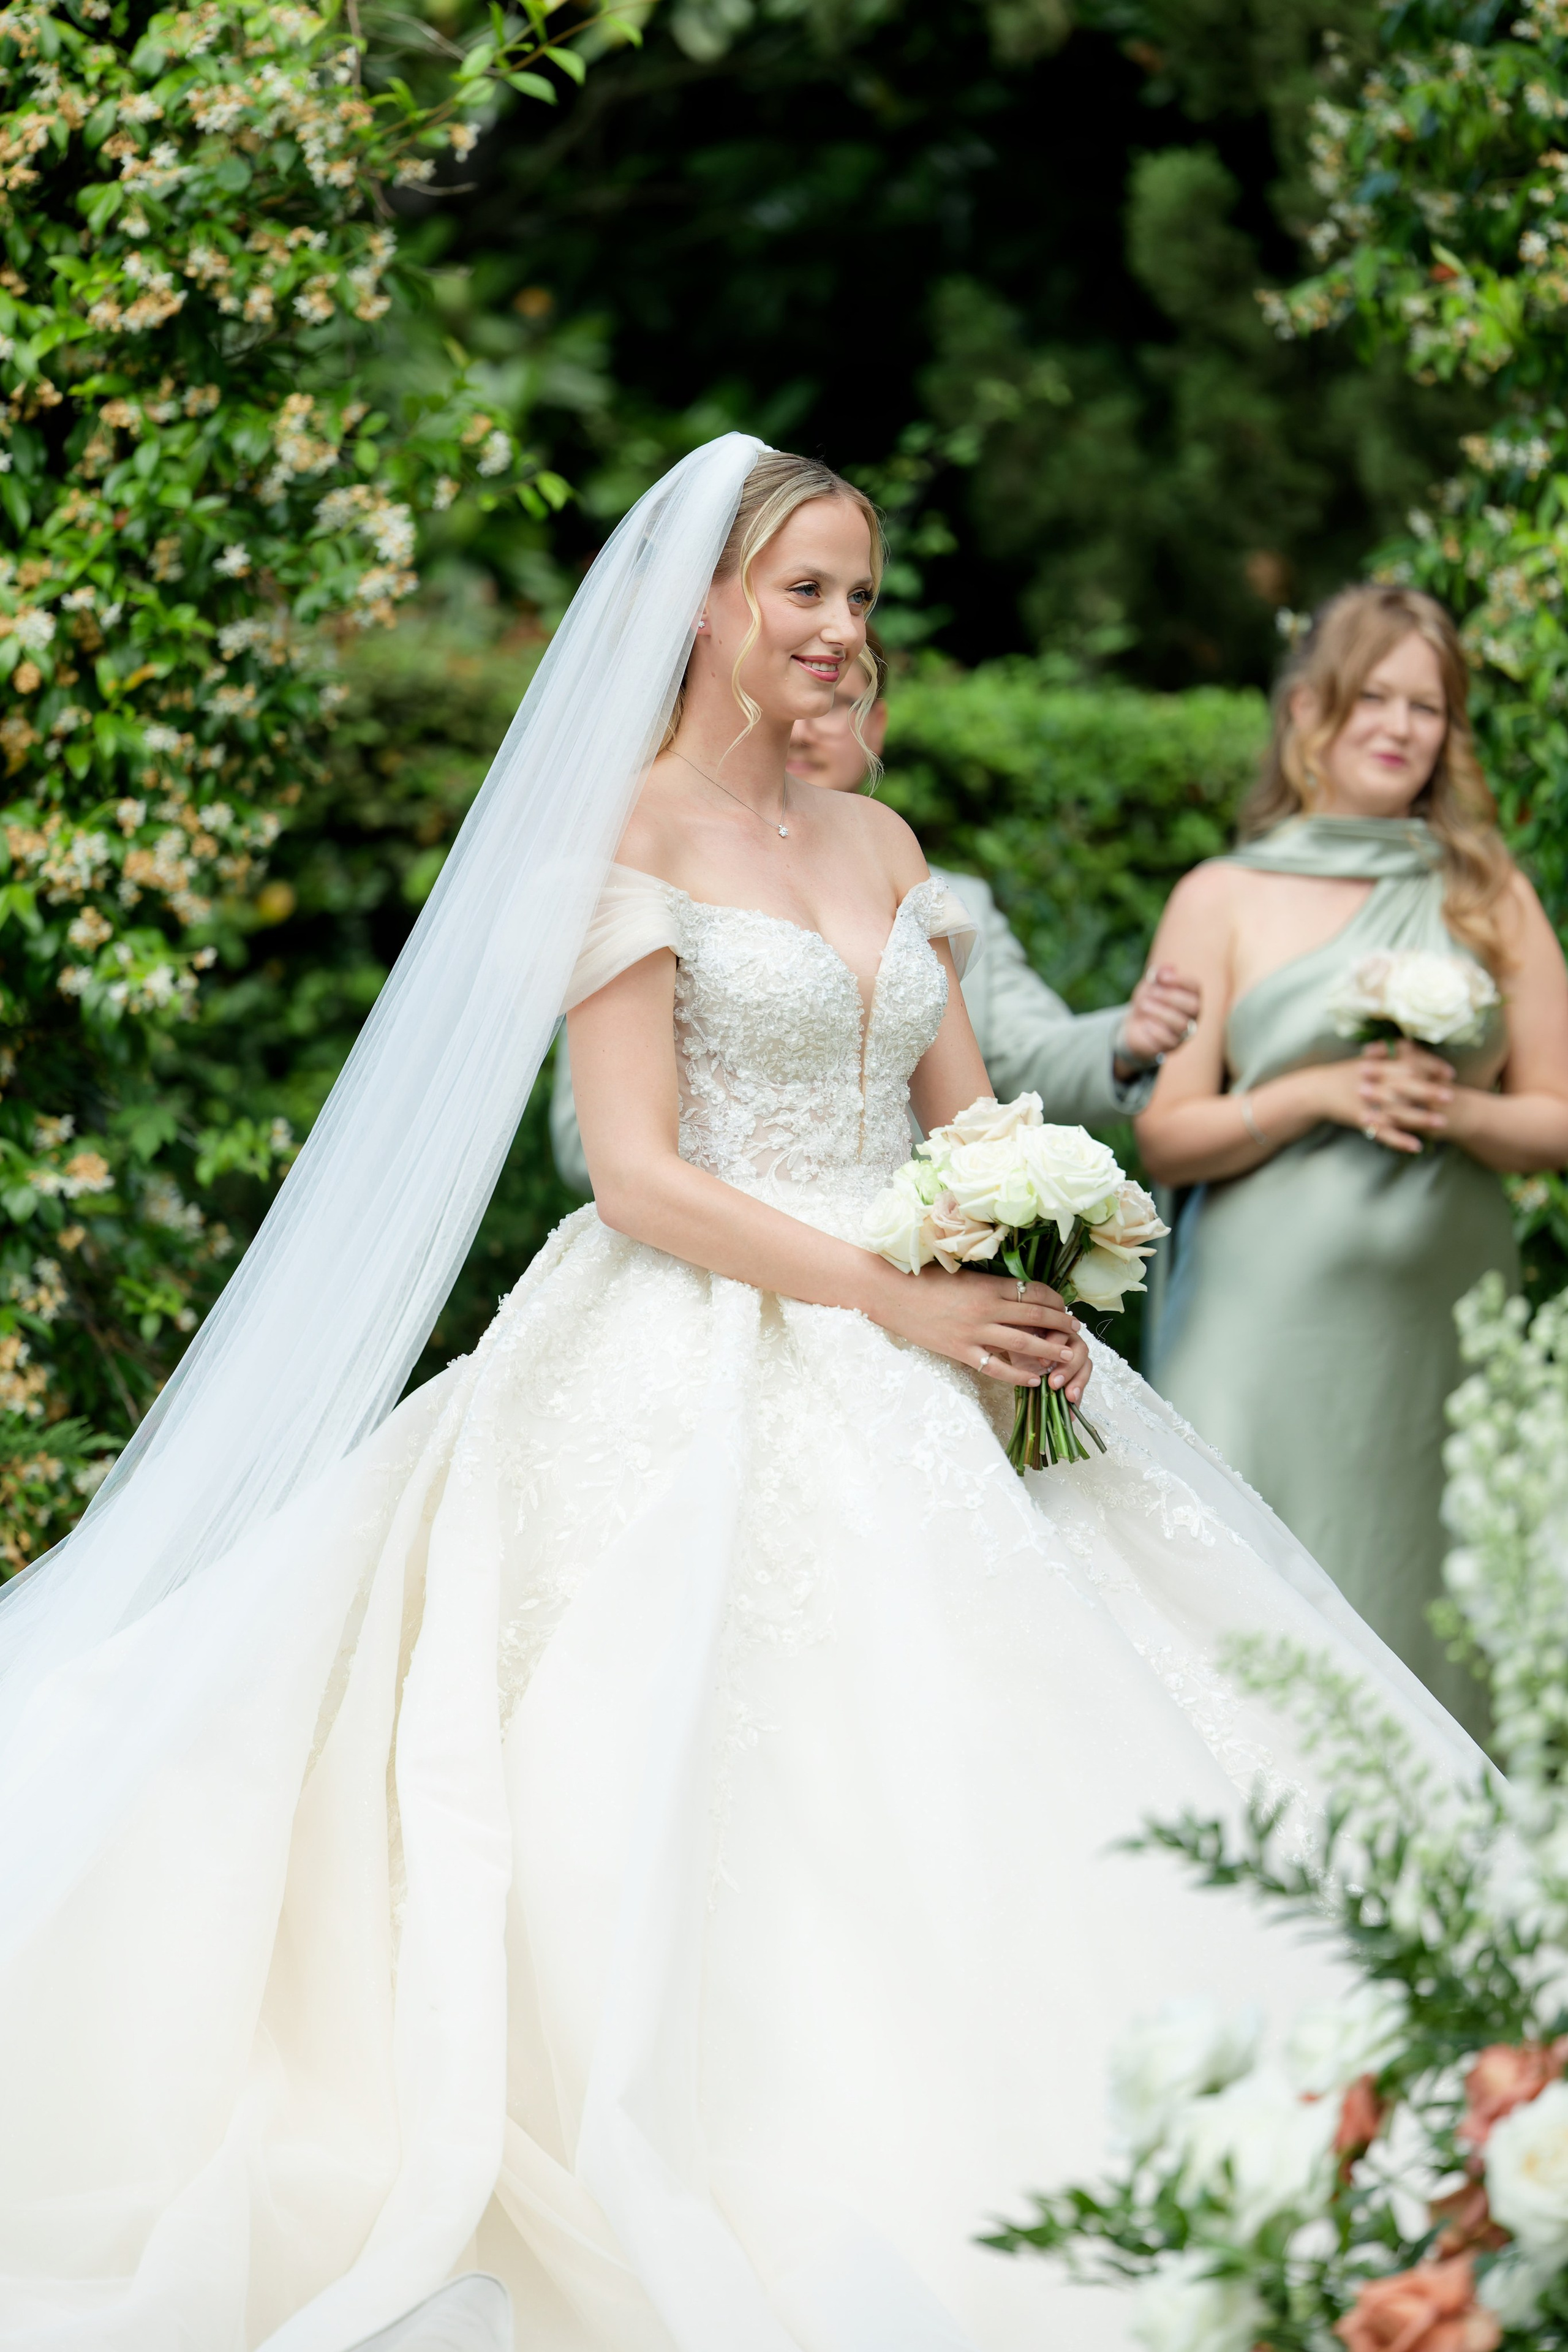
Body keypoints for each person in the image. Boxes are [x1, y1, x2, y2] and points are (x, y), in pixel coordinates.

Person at [0, 445, 1479, 2352]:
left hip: (931, 1316)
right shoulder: (613, 838)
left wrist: (1026, 1249)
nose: (840, 630)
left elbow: (975, 1121)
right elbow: (633, 1172)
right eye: (806, 590)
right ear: (703, 603)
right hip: (689, 1325)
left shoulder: (882, 848)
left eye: (861, 596)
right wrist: (887, 1295)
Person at [1137, 585, 1568, 1736]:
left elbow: (1558, 1121)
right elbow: (1167, 1133)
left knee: (1430, 1601)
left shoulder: (1488, 895)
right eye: (1373, 695)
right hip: (1264, 1325)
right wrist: (1316, 1091)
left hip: (1441, 1338)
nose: (1401, 724)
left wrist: (1455, 1113)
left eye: (1427, 705)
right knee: (1247, 1603)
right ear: (1310, 713)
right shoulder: (1221, 895)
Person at [549, 643, 1201, 1191]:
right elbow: (599, 1148)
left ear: (876, 725)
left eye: (834, 702)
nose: (803, 726)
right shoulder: (642, 850)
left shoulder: (935, 886)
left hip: (928, 1260)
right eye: (784, 699)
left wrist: (1125, 1042)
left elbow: (1009, 1085)